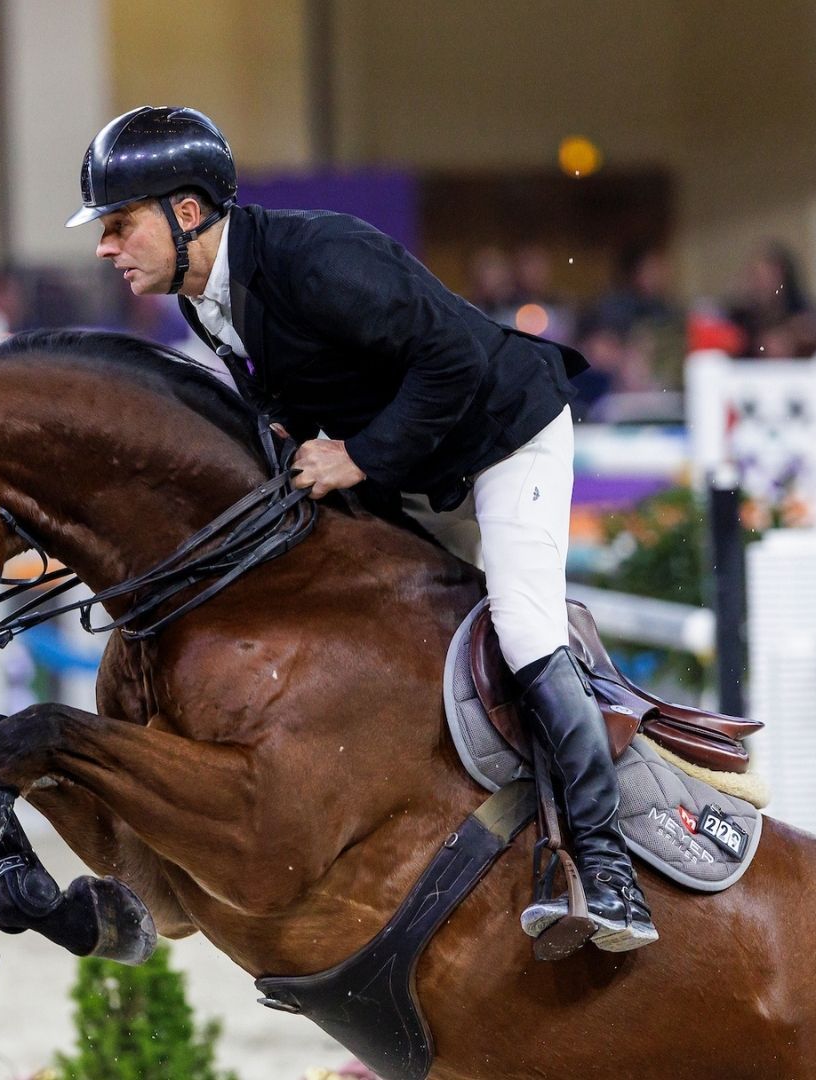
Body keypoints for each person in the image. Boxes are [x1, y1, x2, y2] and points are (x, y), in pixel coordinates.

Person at [65, 106, 656, 954]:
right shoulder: (205, 302)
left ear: (185, 212)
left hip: (504, 435)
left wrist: (360, 458)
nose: (105, 247)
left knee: (523, 625)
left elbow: (452, 360)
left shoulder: (319, 258)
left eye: (119, 225)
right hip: (414, 467)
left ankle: (605, 870)